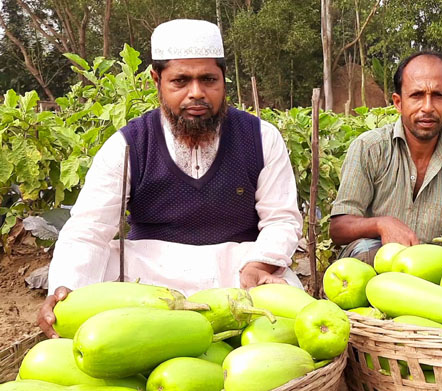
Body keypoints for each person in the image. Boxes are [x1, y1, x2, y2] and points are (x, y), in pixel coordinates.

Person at [38, 19, 303, 337]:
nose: (197, 94)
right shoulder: (128, 145)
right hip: (150, 278)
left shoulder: (261, 137)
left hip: (240, 272)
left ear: (224, 80)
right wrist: (65, 289)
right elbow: (88, 231)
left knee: (286, 297)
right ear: (156, 80)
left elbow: (282, 220)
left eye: (209, 80)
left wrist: (260, 264)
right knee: (99, 269)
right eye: (181, 81)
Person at [329, 51, 442, 264]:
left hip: (434, 272)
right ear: (398, 102)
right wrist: (381, 224)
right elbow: (339, 227)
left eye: (438, 96)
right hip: (374, 269)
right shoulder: (369, 148)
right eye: (416, 95)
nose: (427, 107)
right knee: (366, 250)